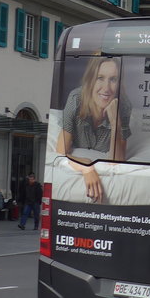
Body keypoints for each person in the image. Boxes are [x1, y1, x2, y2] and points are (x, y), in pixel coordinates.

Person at [55, 56, 130, 202]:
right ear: (90, 80)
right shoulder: (76, 99)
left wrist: (116, 123)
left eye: (113, 79)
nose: (106, 88)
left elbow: (117, 162)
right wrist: (87, 167)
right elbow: (60, 154)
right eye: (100, 78)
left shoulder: (124, 105)